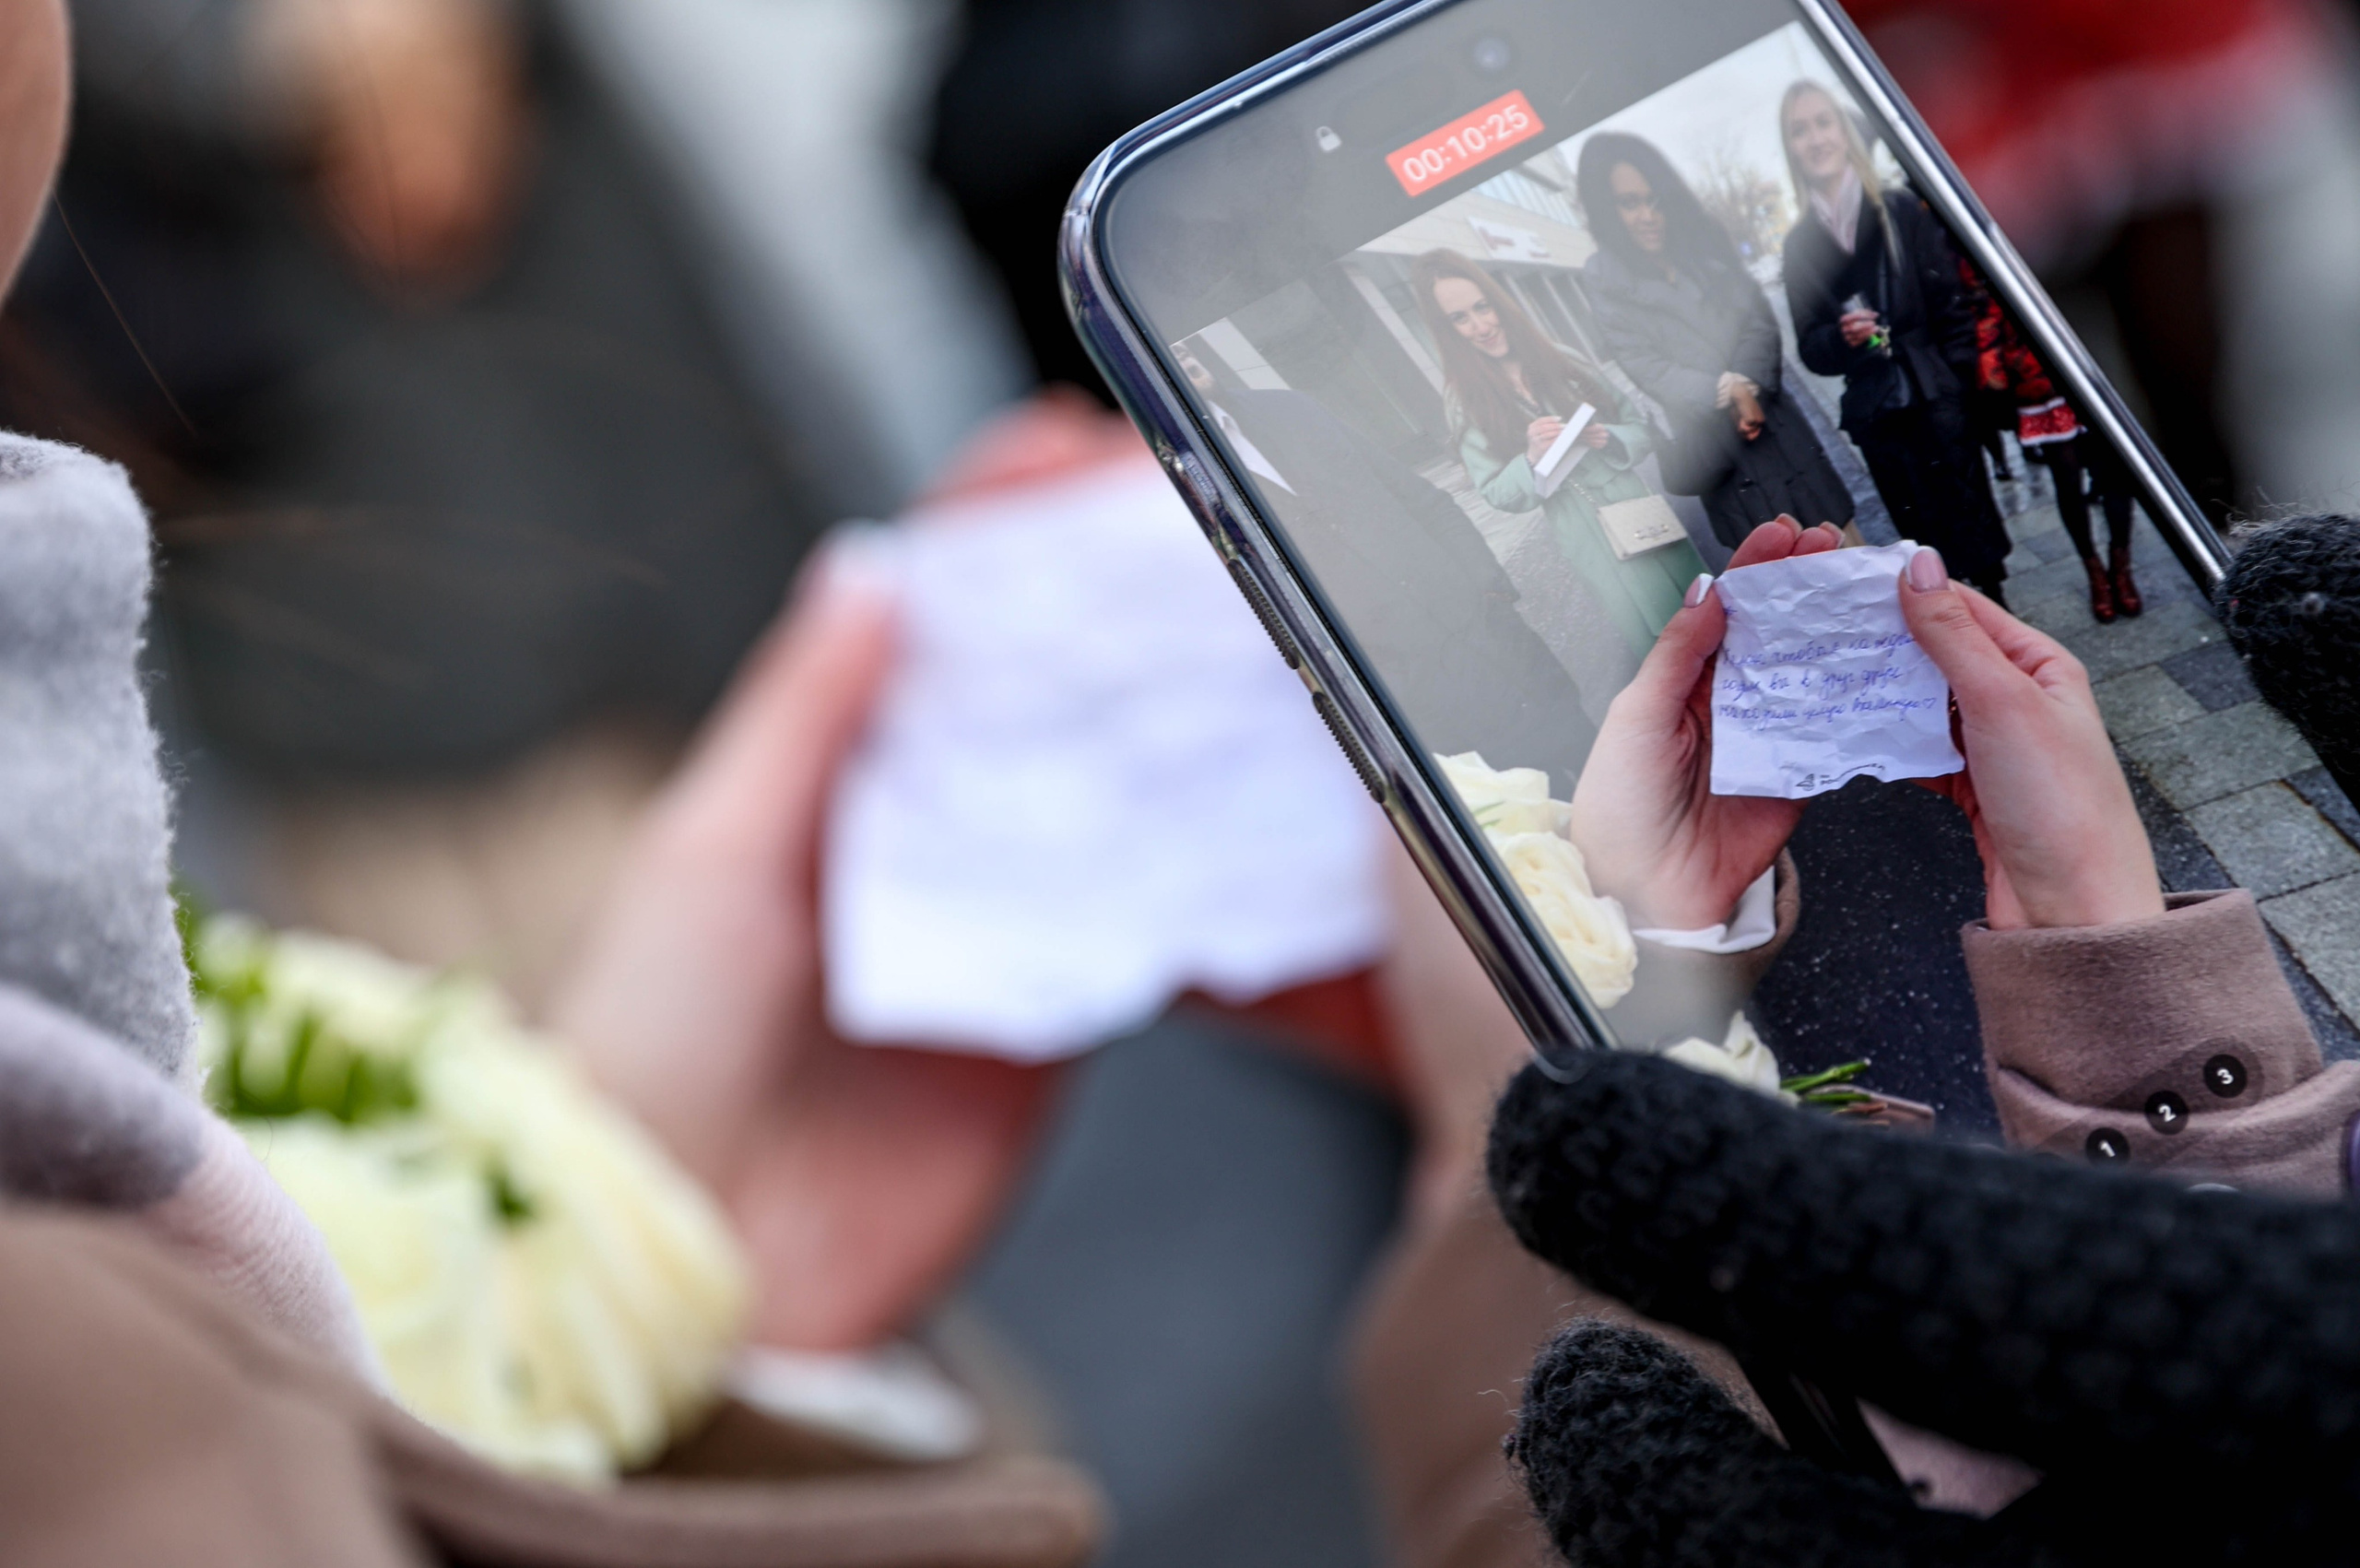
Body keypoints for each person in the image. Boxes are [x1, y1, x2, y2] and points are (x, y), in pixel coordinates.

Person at [1173, 341, 1599, 786]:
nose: (1179, 348)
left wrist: (1489, 590)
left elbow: (1425, 500)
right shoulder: (1172, 502)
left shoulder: (1290, 409)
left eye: (1177, 339)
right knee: (1534, 830)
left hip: (1494, 640)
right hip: (1419, 706)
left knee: (1611, 772)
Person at [1412, 248, 1707, 671]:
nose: (1480, 326)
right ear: (1447, 331)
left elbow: (1638, 428)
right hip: (1586, 529)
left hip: (1638, 506)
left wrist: (1609, 437)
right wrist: (1530, 459)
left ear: (1499, 301)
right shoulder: (1465, 401)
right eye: (1460, 319)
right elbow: (1495, 491)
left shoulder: (1561, 357)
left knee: (1704, 605)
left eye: (1483, 307)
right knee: (1665, 650)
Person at [1777, 82, 2012, 601]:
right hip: (1878, 411)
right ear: (1790, 147)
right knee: (1924, 543)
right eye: (1800, 130)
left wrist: (1958, 384)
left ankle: (2000, 613)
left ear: (1844, 131)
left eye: (1823, 123)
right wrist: (1841, 340)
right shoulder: (1799, 247)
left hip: (1934, 391)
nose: (1815, 139)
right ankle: (1957, 631)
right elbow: (1810, 351)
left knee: (1972, 522)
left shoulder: (1899, 208)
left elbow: (1950, 305)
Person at [1574, 133, 1854, 549]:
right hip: (1719, 451)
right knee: (1782, 576)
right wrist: (1726, 390)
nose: (1648, 215)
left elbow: (1758, 323)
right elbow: (1645, 364)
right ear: (1605, 209)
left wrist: (1747, 382)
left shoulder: (1703, 249)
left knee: (1847, 548)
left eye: (1654, 200)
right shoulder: (1604, 280)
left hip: (1778, 427)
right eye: (1629, 203)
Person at [1961, 255, 2142, 620]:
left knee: (2115, 478)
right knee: (2068, 481)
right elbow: (1980, 302)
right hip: (2038, 379)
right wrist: (1993, 369)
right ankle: (2095, 573)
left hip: (2093, 363)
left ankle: (2120, 567)